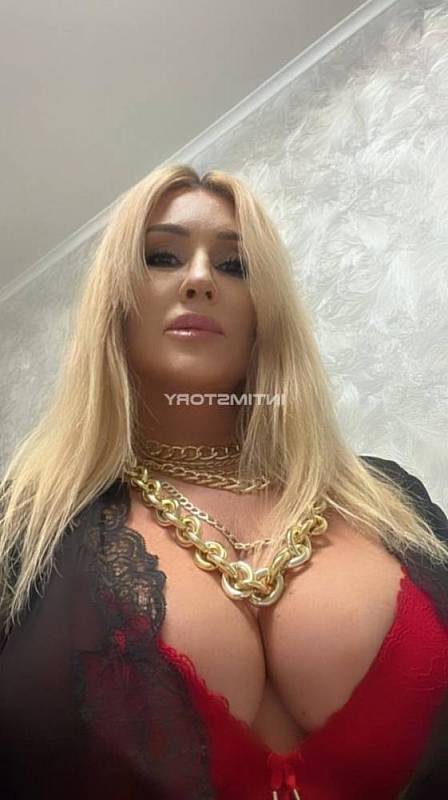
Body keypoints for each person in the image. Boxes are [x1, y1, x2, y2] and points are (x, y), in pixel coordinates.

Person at [0, 163, 447, 800]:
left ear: (266, 312)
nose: (201, 279)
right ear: (115, 300)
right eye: (162, 256)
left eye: (236, 265)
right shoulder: (27, 525)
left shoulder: (391, 501)